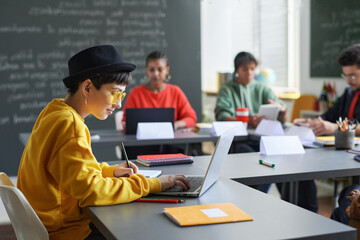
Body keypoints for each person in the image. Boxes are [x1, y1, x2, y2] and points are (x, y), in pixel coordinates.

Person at [17, 45, 190, 240]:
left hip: (49, 224)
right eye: (115, 93)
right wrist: (151, 184)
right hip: (67, 232)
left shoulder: (53, 111)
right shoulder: (71, 125)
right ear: (88, 87)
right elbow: (93, 192)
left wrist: (111, 171)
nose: (118, 104)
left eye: (122, 96)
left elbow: (72, 170)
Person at [294, 44, 360, 136]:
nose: (348, 81)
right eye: (345, 75)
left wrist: (336, 128)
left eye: (352, 75)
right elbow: (330, 115)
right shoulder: (348, 93)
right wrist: (314, 122)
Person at [122, 50, 197, 130]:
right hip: (143, 141)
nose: (155, 74)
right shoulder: (135, 93)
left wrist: (175, 125)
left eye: (160, 69)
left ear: (167, 70)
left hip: (170, 141)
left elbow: (191, 118)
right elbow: (125, 122)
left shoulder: (176, 92)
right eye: (152, 70)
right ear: (146, 70)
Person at [215, 51, 287, 128]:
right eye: (245, 69)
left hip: (259, 134)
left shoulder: (262, 88)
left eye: (252, 69)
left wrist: (281, 109)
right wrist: (247, 123)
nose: (249, 73)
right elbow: (222, 115)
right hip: (235, 134)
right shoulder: (226, 89)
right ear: (236, 70)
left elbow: (281, 107)